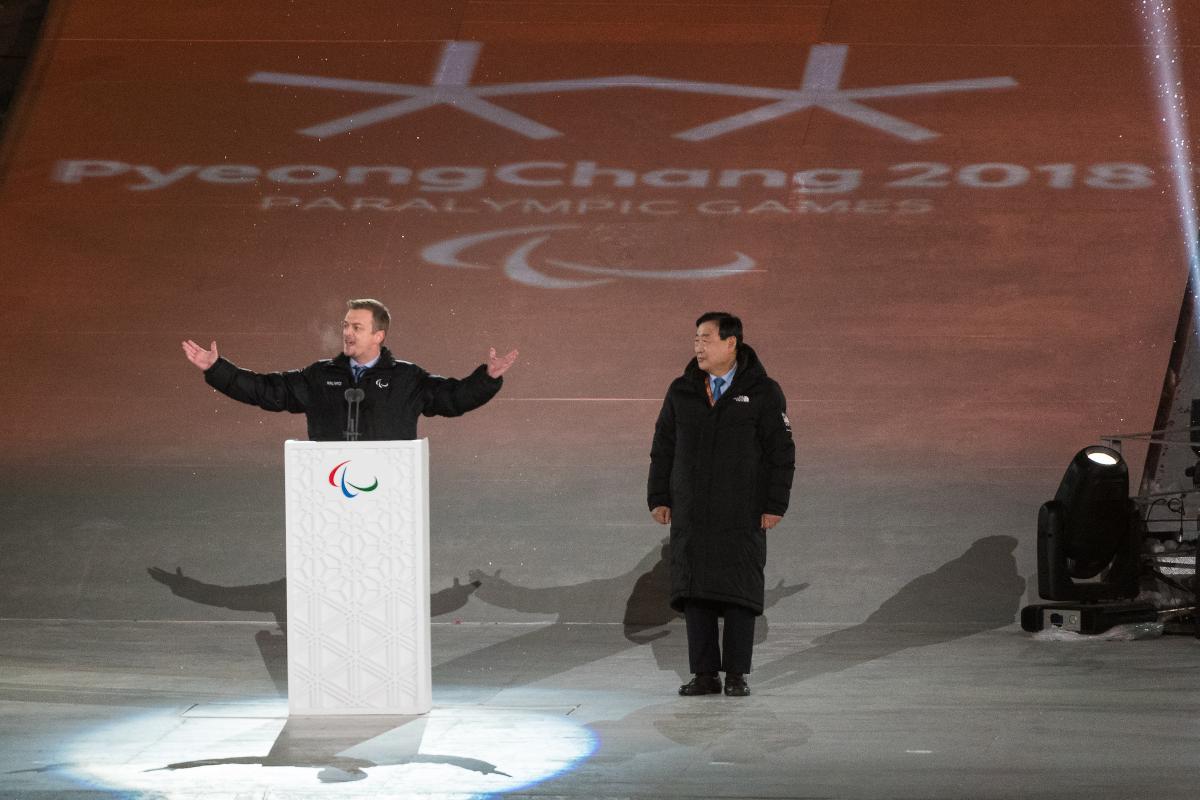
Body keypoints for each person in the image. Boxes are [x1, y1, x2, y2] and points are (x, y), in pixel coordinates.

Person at [647, 312, 795, 697]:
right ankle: (705, 674)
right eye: (696, 338)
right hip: (691, 511)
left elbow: (781, 452)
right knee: (696, 594)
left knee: (738, 594)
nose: (698, 346)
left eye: (707, 338)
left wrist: (775, 503)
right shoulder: (682, 390)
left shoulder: (763, 392)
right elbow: (663, 446)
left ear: (732, 343)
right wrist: (659, 496)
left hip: (741, 512)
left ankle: (736, 676)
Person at [181, 298, 517, 440]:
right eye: (345, 325)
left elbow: (453, 399)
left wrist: (486, 379)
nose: (347, 332)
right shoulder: (320, 376)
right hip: (330, 482)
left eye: (357, 326)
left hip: (387, 485)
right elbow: (267, 391)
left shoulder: (407, 378)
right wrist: (217, 368)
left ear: (378, 335)